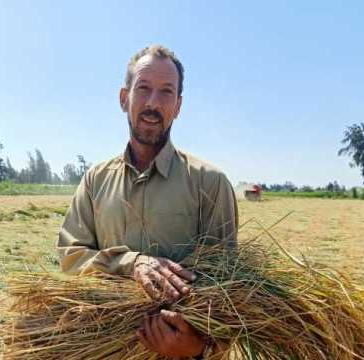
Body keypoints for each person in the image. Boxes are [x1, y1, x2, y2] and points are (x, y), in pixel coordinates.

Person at [57, 44, 238, 359]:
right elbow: (71, 258)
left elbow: (232, 289)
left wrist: (199, 349)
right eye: (143, 89)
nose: (153, 103)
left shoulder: (210, 183)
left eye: (166, 92)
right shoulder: (94, 181)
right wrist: (131, 263)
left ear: (178, 106)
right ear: (124, 98)